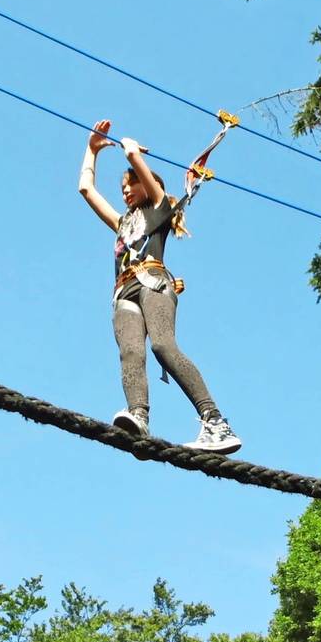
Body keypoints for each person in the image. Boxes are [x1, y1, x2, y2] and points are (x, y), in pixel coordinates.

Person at [78, 118, 241, 454]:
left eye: (130, 183)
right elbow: (86, 189)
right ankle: (138, 416)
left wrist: (133, 154)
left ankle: (215, 421)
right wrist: (90, 150)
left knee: (163, 347)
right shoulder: (122, 222)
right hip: (123, 291)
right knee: (131, 352)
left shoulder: (159, 208)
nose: (124, 189)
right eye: (123, 185)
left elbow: (151, 185)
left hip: (153, 282)